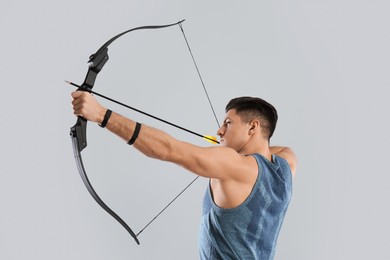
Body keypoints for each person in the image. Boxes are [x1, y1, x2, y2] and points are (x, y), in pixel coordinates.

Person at [71, 92, 297, 260]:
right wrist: (251, 148)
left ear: (252, 127)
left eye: (228, 123)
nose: (219, 131)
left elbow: (168, 149)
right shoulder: (287, 165)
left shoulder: (235, 165)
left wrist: (100, 114)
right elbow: (276, 151)